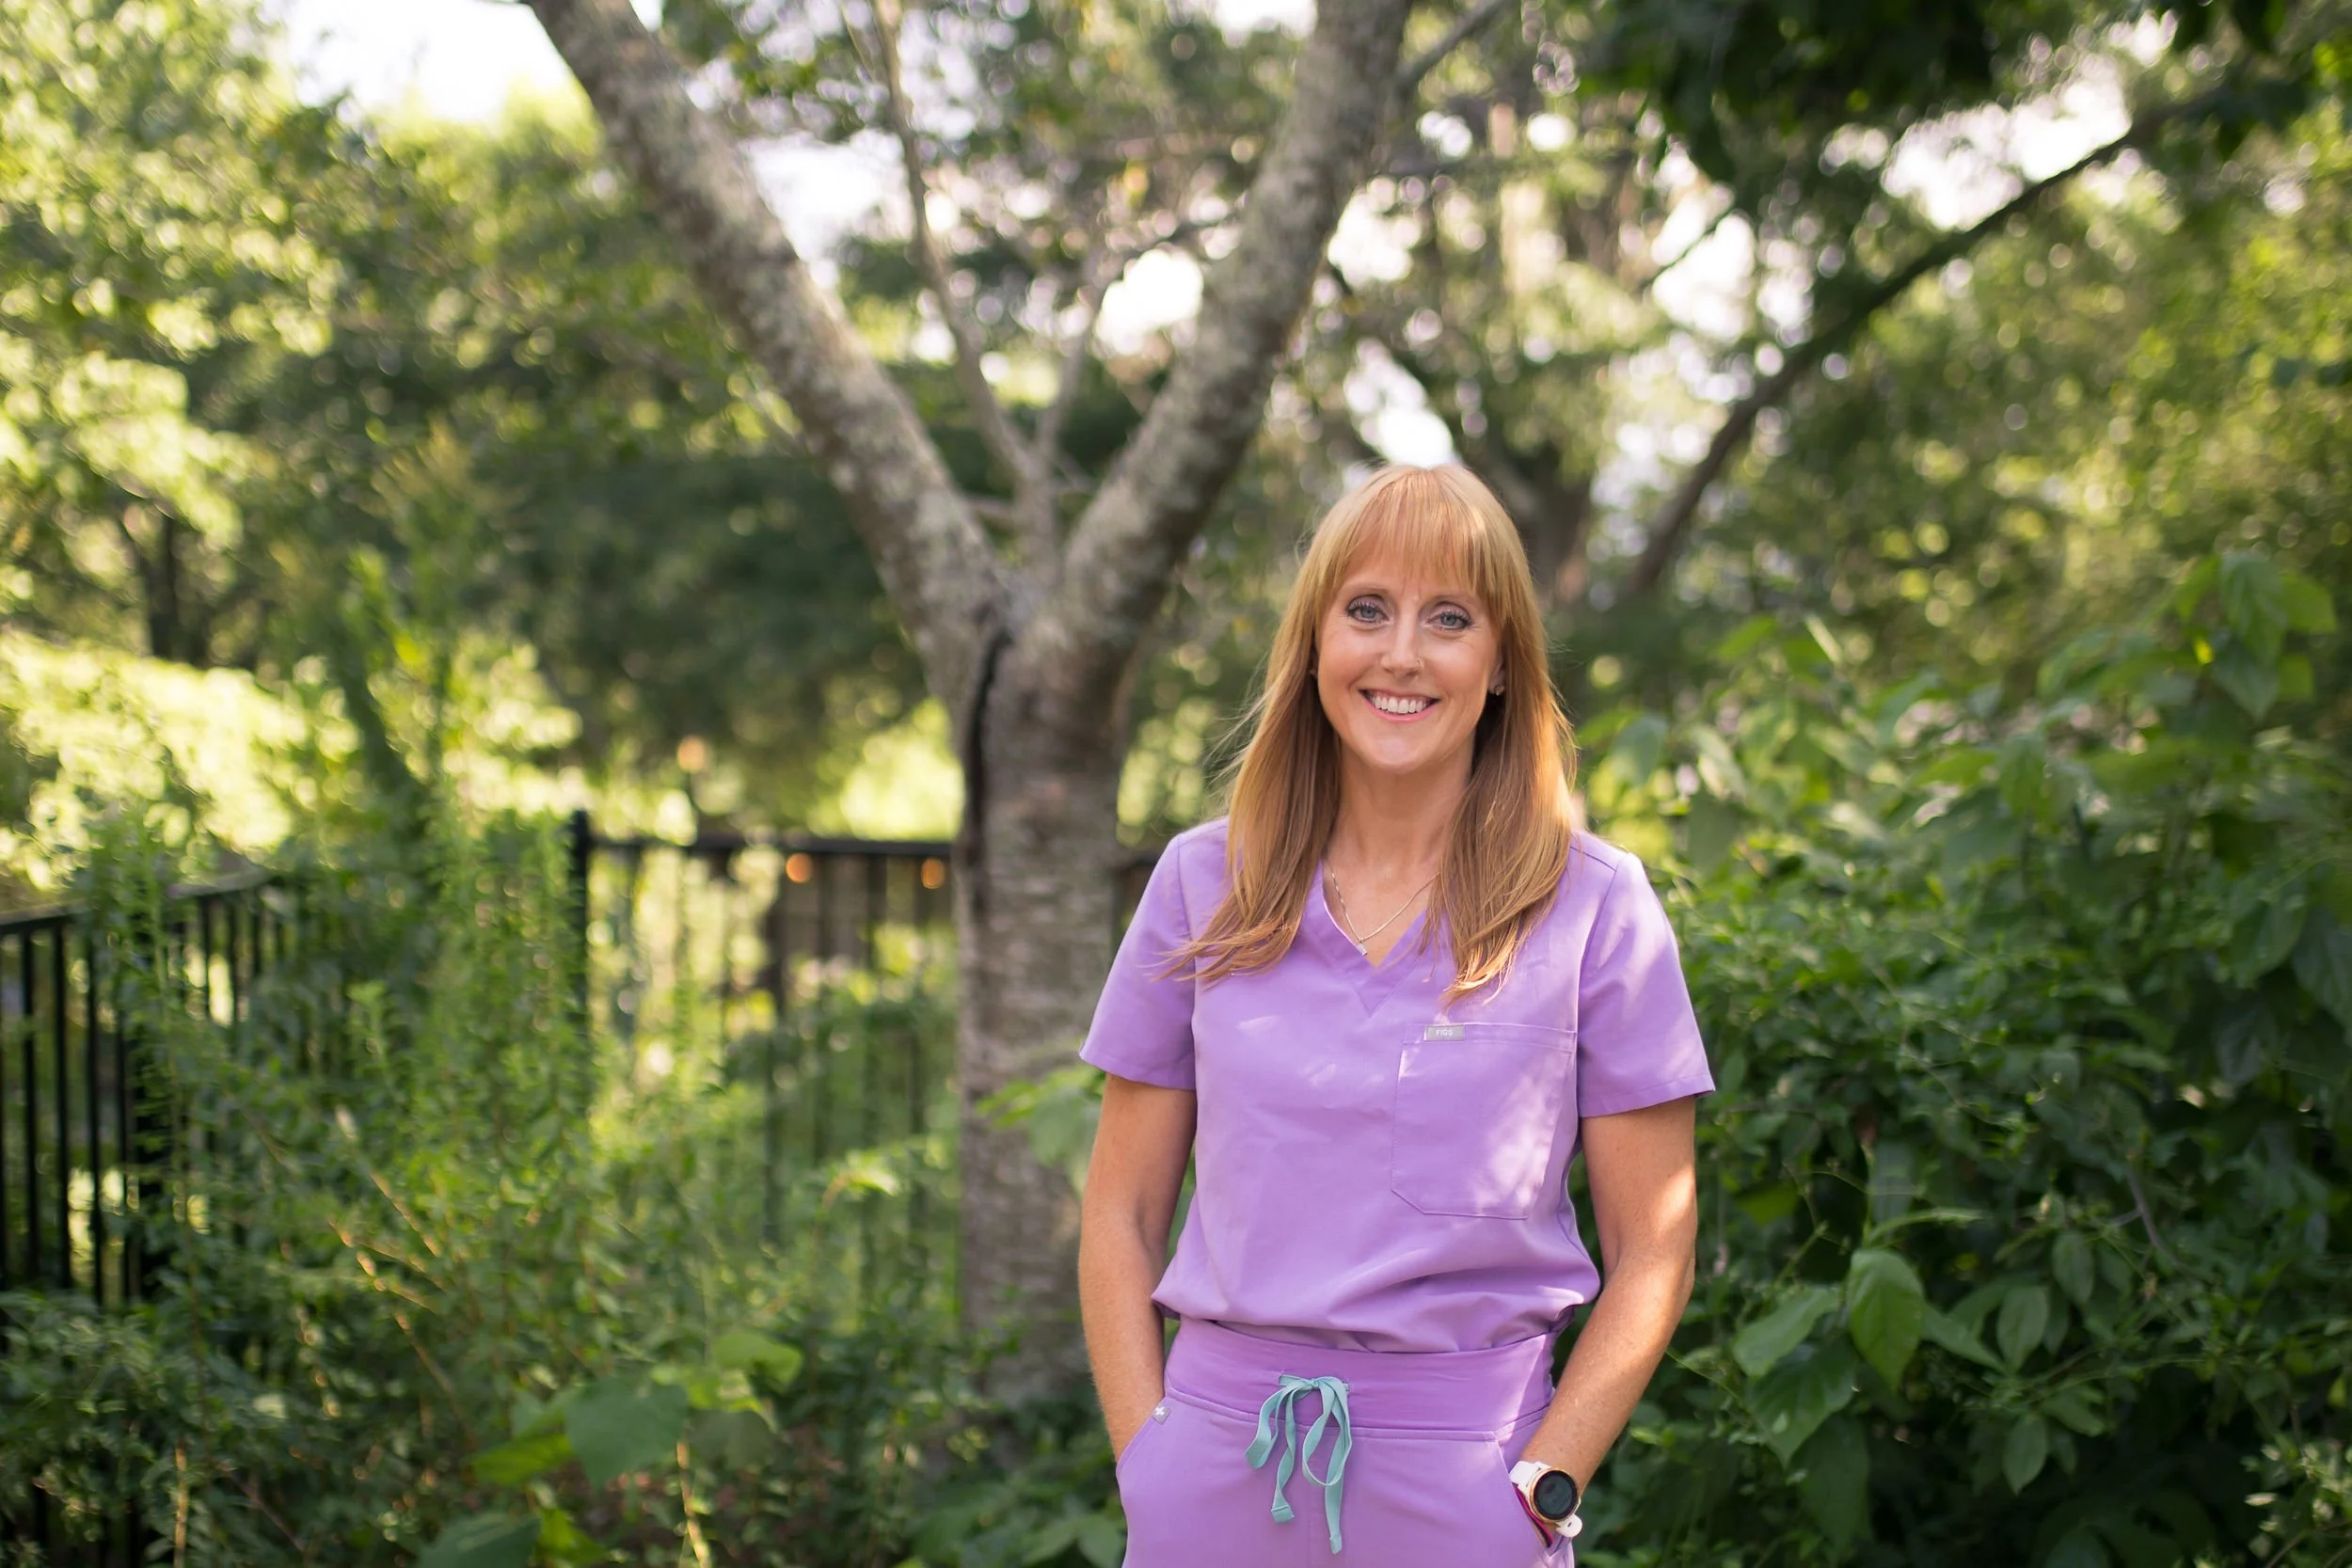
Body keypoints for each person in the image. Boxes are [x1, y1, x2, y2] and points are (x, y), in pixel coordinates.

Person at [1075, 464, 1712, 1566]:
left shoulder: (1596, 908)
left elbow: (1655, 1241)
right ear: (1315, 642)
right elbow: (1120, 1210)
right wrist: (1150, 1464)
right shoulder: (1197, 884)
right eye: (1366, 608)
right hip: (1211, 1489)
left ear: (1503, 660)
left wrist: (1544, 1482)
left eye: (1449, 617)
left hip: (1472, 1495)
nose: (1401, 652)